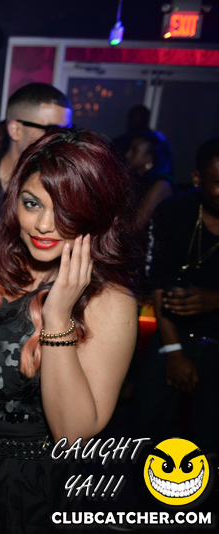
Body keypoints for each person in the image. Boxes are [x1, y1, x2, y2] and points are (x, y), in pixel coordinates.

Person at [0, 129, 140, 533]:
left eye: (66, 209)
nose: (44, 225)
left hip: (26, 479)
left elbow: (73, 435)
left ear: (96, 213)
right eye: (32, 203)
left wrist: (58, 316)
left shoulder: (110, 300)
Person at [132, 137, 219, 455]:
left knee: (210, 439)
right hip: (173, 333)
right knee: (147, 431)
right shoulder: (174, 212)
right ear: (197, 178)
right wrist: (173, 352)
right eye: (218, 182)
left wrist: (215, 300)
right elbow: (158, 285)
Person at [0, 83, 72, 247]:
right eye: (52, 129)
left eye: (67, 131)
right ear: (15, 130)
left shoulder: (68, 185)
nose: (62, 139)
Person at [124, 130, 176, 232]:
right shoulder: (138, 180)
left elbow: (135, 226)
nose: (127, 154)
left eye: (134, 150)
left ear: (151, 156)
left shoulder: (161, 184)